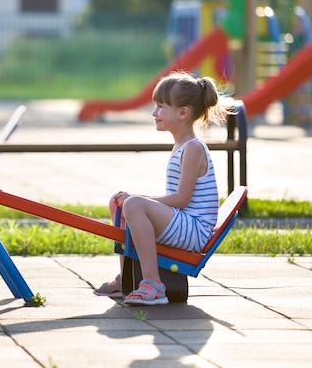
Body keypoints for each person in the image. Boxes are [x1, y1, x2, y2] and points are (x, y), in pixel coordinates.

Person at [94, 71, 233, 305]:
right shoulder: (182, 146)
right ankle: (127, 277)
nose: (154, 113)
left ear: (182, 113)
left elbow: (181, 199)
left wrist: (137, 199)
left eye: (160, 107)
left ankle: (153, 284)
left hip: (195, 231)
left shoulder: (193, 148)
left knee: (133, 204)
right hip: (185, 224)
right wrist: (133, 200)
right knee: (118, 203)